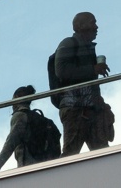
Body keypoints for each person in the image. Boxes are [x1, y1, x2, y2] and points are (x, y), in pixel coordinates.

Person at [46, 12, 114, 156]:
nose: (96, 27)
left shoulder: (86, 48)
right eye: (92, 22)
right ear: (81, 26)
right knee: (70, 155)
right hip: (75, 110)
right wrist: (92, 69)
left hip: (90, 110)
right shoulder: (68, 43)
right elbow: (61, 71)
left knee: (102, 154)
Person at [0, 84, 61, 173]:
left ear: (17, 97)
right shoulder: (40, 118)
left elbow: (10, 143)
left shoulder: (20, 116)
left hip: (29, 168)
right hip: (47, 167)